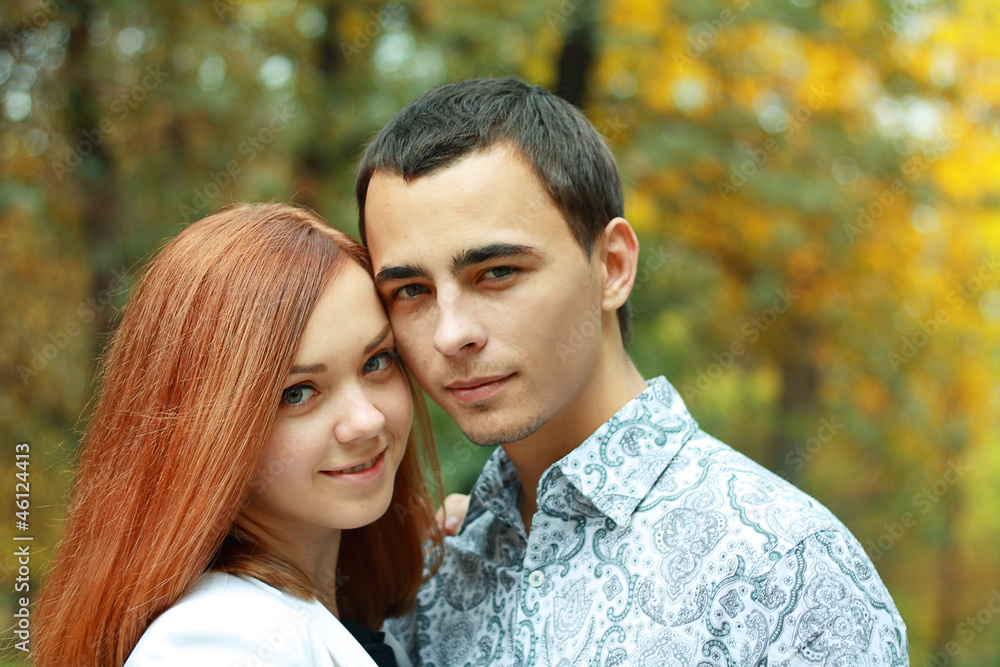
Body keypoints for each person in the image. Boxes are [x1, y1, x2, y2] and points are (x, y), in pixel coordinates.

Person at [355, 77, 909, 665]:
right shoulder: (428, 575)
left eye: (497, 273)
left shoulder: (787, 571)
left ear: (613, 267)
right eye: (410, 290)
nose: (450, 334)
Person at [33, 203, 443, 666]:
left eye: (377, 361)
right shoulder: (217, 644)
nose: (366, 420)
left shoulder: (344, 617)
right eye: (297, 393)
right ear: (205, 429)